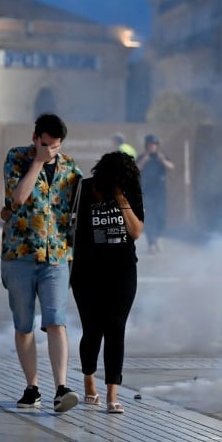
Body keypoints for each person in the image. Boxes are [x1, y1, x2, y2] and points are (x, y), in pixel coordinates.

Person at [1, 113, 83, 413]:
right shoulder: (17, 158)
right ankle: (32, 387)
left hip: (57, 257)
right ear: (35, 137)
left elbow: (79, 210)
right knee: (24, 326)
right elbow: (18, 198)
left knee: (55, 320)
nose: (51, 151)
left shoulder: (70, 168)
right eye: (46, 144)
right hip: (20, 255)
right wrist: (37, 161)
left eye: (56, 147)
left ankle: (61, 388)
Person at [70, 151, 144, 415]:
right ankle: (89, 380)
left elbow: (135, 232)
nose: (122, 184)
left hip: (122, 271)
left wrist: (122, 198)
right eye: (118, 180)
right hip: (86, 271)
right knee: (92, 330)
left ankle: (112, 393)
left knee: (116, 329)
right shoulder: (83, 188)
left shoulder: (130, 190)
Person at [136, 134, 174, 253]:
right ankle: (150, 243)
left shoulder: (160, 157)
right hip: (147, 192)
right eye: (150, 144)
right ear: (146, 145)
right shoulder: (142, 157)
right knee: (149, 218)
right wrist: (144, 160)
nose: (152, 147)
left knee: (161, 217)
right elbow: (136, 169)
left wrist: (163, 161)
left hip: (160, 193)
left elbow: (171, 167)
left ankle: (157, 238)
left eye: (154, 145)